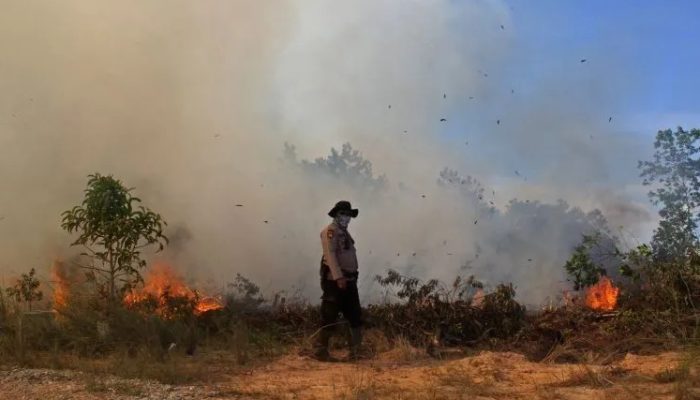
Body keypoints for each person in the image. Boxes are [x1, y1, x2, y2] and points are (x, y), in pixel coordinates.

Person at [314, 200, 362, 361]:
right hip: (335, 281)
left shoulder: (344, 233)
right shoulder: (330, 232)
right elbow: (330, 255)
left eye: (348, 214)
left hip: (350, 280)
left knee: (355, 314)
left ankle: (356, 351)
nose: (346, 217)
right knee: (329, 314)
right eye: (343, 214)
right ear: (336, 214)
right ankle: (321, 351)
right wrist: (339, 276)